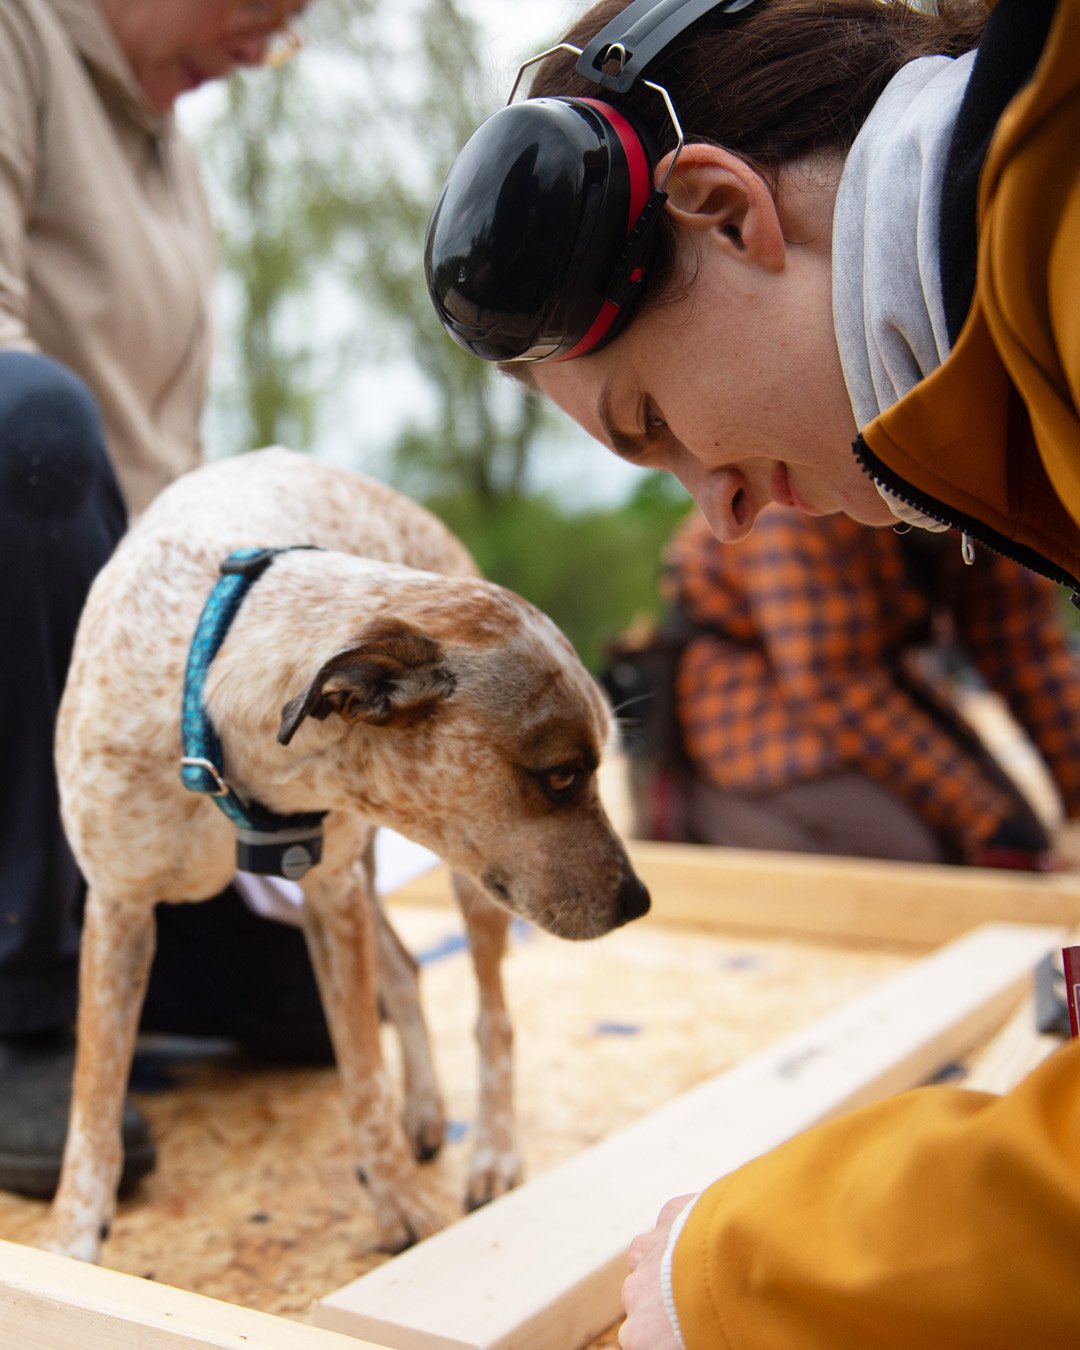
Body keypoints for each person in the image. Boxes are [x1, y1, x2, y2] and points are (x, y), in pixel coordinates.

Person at [423, 0, 1080, 1344]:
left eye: (655, 422)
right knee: (910, 840)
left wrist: (748, 1273)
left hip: (851, 713)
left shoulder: (951, 376)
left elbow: (1018, 636)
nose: (711, 507)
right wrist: (1012, 835)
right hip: (760, 731)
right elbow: (838, 689)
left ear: (726, 210)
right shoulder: (905, 398)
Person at [0, 0, 328, 1203]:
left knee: (306, 1013)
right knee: (22, 426)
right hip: (21, 588)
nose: (264, 48)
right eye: (266, 9)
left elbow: (170, 462)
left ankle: (146, 931)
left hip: (92, 586)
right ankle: (20, 1004)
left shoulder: (173, 159)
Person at [644, 505, 1080, 866]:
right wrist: (983, 821)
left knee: (1027, 843)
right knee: (905, 856)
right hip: (744, 694)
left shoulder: (986, 490)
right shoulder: (796, 504)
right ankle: (695, 806)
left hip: (863, 674)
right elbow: (832, 684)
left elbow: (1025, 652)